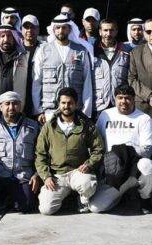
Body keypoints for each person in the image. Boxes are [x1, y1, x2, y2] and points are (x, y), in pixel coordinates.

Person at [89, 85, 152, 213]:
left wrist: (124, 153)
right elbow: (96, 143)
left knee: (147, 165)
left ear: (133, 100)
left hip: (134, 168)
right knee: (95, 208)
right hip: (112, 170)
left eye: (127, 98)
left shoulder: (143, 118)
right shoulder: (105, 115)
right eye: (120, 98)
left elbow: (148, 150)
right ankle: (121, 194)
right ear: (114, 99)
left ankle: (145, 197)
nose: (123, 101)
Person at [35, 87, 103, 215]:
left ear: (76, 104)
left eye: (70, 103)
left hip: (78, 172)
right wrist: (46, 176)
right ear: (59, 104)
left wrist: (89, 164)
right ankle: (66, 197)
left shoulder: (86, 125)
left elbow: (98, 149)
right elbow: (40, 154)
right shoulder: (49, 127)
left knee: (87, 184)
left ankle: (82, 198)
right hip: (57, 175)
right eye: (63, 103)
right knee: (46, 209)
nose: (66, 106)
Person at [0, 91, 42, 213]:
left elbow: (41, 154)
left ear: (20, 106)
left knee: (27, 205)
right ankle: (5, 198)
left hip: (23, 176)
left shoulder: (34, 126)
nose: (11, 107)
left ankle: (10, 199)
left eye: (15, 104)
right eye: (7, 104)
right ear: (0, 106)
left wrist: (36, 174)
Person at [33, 14, 94, 121]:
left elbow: (87, 81)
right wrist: (38, 110)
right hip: (49, 111)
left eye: (64, 27)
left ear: (69, 29)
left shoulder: (81, 51)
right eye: (58, 28)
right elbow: (36, 81)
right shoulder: (43, 50)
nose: (61, 31)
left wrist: (86, 112)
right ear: (53, 29)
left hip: (75, 111)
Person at [0, 25, 30, 119]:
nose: (6, 39)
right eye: (2, 36)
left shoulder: (23, 56)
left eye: (9, 36)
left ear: (14, 38)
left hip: (15, 108)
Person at [92, 19, 131, 114]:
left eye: (112, 30)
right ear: (100, 32)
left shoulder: (127, 50)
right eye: (105, 30)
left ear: (116, 31)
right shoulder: (92, 50)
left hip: (121, 102)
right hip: (98, 104)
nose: (108, 34)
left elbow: (132, 77)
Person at [21, 14, 41, 117]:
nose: (29, 30)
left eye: (32, 27)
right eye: (26, 27)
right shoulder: (16, 49)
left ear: (37, 29)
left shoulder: (45, 49)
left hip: (38, 97)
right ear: (21, 29)